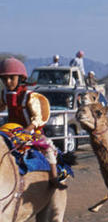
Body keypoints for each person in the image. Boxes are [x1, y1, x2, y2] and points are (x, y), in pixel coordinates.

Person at [0, 57, 68, 187]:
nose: (8, 82)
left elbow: (37, 117)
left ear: (21, 78)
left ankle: (54, 177)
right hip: (10, 130)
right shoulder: (4, 94)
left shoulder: (29, 96)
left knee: (48, 146)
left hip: (30, 131)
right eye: (4, 79)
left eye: (11, 78)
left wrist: (27, 129)